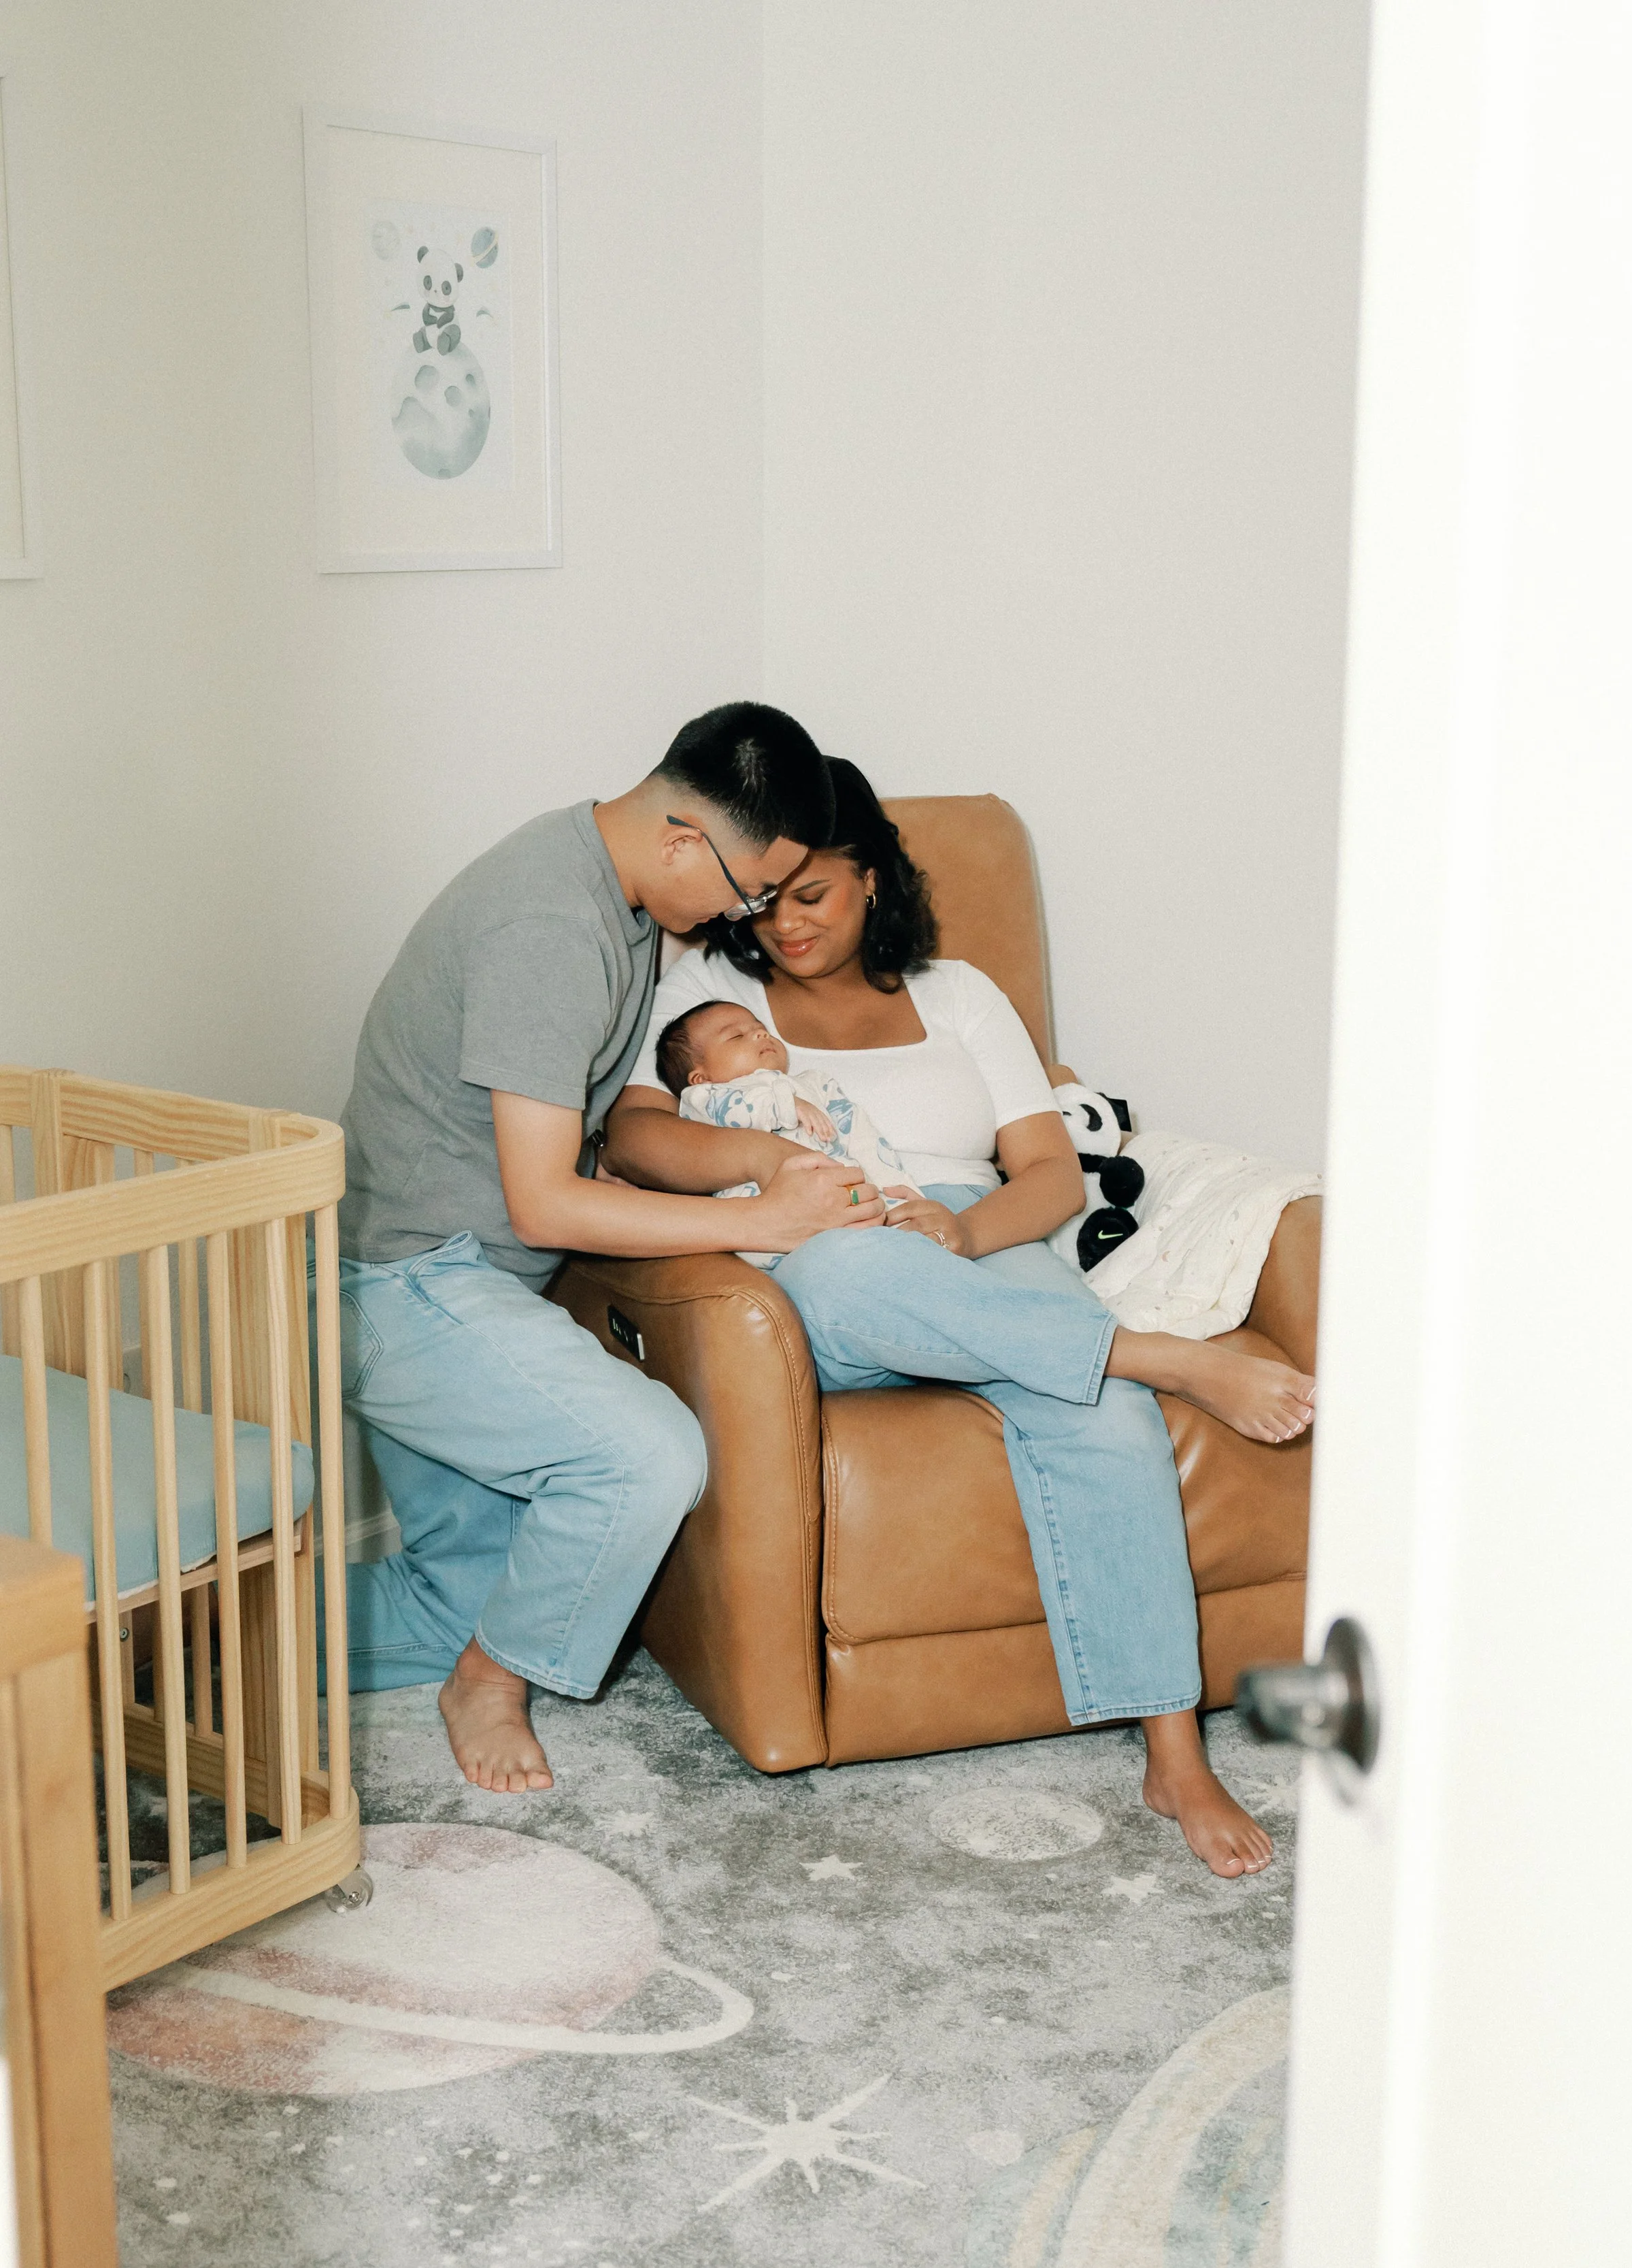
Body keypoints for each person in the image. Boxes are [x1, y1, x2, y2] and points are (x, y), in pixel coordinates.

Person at [605, 757, 1314, 1878]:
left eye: (815, 894)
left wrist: (961, 1231)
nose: (783, 923)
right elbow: (635, 1140)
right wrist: (770, 1163)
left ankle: (1173, 1749)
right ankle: (1149, 1351)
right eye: (768, 898)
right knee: (847, 1274)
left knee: (1109, 1419)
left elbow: (1047, 1175)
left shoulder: (961, 994)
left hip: (980, 1240)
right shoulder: (711, 995)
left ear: (876, 879)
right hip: (832, 1257)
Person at [335, 704, 894, 1796]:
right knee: (648, 1457)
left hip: (464, 1283)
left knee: (464, 1594)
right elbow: (545, 1201)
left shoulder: (623, 895)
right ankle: (488, 1683)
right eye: (746, 891)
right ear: (684, 835)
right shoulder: (549, 924)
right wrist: (759, 1218)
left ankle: (188, 1634)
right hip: (408, 1288)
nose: (749, 916)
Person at [652, 997, 910, 1264]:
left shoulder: (815, 1084)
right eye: (737, 1036)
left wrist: (901, 1197)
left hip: (844, 1205)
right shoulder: (704, 1097)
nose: (759, 1033)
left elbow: (863, 1138)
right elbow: (734, 1111)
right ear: (701, 1077)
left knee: (884, 1241)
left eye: (760, 1027)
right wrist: (786, 1105)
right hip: (767, 1219)